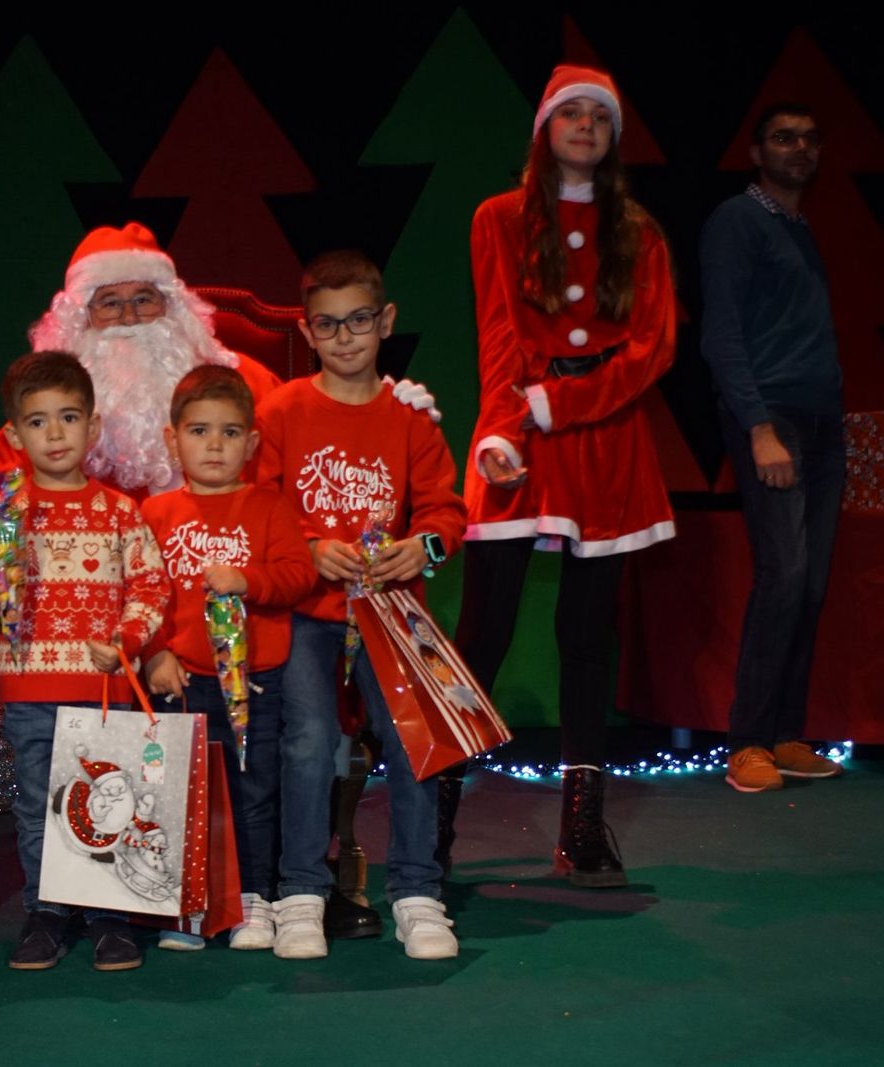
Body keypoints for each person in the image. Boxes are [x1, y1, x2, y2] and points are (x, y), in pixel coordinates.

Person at [452, 65, 677, 889]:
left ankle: (582, 824)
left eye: (600, 117)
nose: (585, 126)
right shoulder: (500, 218)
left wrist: (564, 403)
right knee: (484, 626)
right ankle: (430, 808)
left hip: (607, 438)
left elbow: (653, 348)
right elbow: (499, 331)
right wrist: (503, 428)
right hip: (520, 425)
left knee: (587, 633)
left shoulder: (640, 232)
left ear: (613, 138)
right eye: (570, 113)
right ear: (545, 129)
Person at [254, 250, 466, 960]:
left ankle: (416, 892)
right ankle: (300, 893)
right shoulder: (282, 410)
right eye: (328, 324)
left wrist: (421, 549)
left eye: (359, 320)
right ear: (307, 331)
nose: (344, 337)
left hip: (390, 612)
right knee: (311, 740)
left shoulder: (409, 418)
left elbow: (445, 512)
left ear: (386, 320)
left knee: (415, 738)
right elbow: (256, 505)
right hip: (308, 611)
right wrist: (308, 547)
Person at [0, 351, 171, 972]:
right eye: (38, 421)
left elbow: (151, 586)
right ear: (15, 434)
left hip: (104, 691)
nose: (54, 433)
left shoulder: (119, 511)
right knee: (37, 806)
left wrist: (126, 640)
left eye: (69, 417)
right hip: (30, 688)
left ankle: (109, 918)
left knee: (112, 800)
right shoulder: (6, 511)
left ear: (92, 426)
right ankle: (46, 911)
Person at [0, 222, 440, 498]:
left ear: (171, 306)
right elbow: (5, 495)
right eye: (109, 303)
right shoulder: (47, 407)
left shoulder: (242, 381)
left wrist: (379, 406)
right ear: (80, 318)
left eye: (144, 299)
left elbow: (316, 438)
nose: (129, 317)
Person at [139, 365, 316, 951]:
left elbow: (298, 575)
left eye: (230, 432)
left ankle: (253, 901)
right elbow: (138, 593)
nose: (215, 445)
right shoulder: (155, 513)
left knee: (253, 792)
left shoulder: (269, 506)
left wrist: (248, 580)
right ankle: (187, 906)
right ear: (172, 440)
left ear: (252, 442)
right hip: (181, 682)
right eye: (200, 431)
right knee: (180, 795)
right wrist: (155, 654)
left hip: (253, 682)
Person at [700, 103, 846, 793]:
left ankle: (786, 731)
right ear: (757, 151)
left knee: (810, 584)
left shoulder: (799, 227)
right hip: (773, 419)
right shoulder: (738, 220)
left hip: (821, 422)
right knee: (783, 574)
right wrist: (758, 426)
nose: (800, 148)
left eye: (810, 138)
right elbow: (721, 333)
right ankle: (747, 741)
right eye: (784, 138)